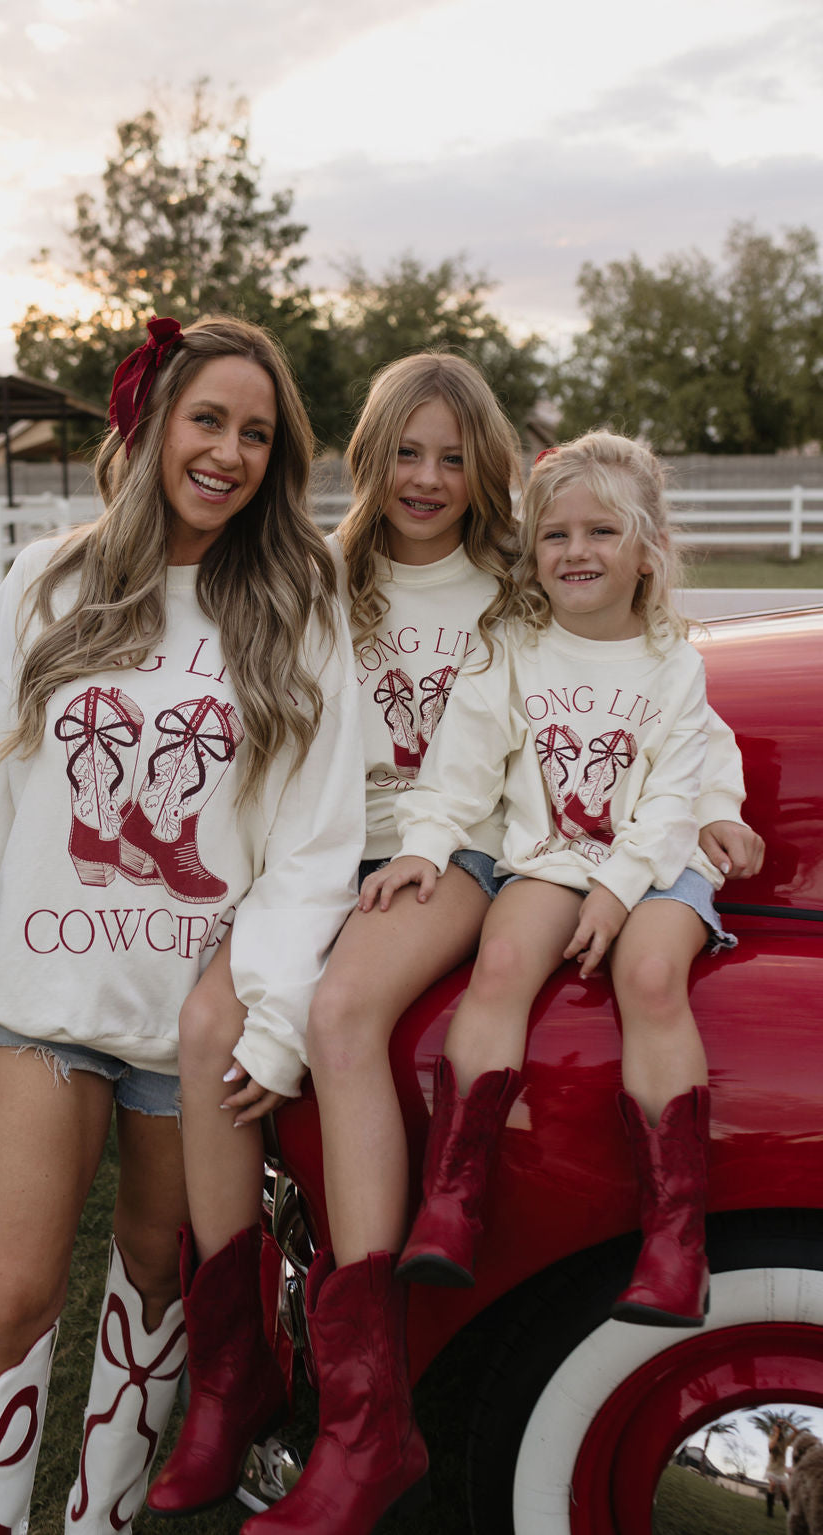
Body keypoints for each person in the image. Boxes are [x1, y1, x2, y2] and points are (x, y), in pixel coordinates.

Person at [148, 362, 763, 1534]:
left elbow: (655, 692)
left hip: (463, 852)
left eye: (451, 456)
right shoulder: (324, 580)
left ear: (485, 470)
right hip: (323, 848)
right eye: (403, 453)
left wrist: (704, 811)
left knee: (336, 1016)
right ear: (366, 458)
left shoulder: (513, 589)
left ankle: (368, 1413)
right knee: (203, 1026)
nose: (425, 479)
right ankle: (233, 1375)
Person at [0, 314, 364, 1535]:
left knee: (160, 1292)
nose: (230, 452)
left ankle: (98, 1521)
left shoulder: (297, 604)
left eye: (257, 433)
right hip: (44, 1008)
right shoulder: (49, 585)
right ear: (152, 423)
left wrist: (265, 1014)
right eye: (208, 419)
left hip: (194, 1028)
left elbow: (315, 842)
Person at [361, 430, 749, 1332]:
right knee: (500, 960)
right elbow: (457, 769)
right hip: (551, 858)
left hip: (659, 861)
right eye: (556, 535)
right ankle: (453, 1197)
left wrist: (619, 893)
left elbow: (668, 800)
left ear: (647, 553)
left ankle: (673, 1240)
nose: (578, 551)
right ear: (533, 555)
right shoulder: (513, 652)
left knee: (650, 975)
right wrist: (423, 845)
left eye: (602, 532)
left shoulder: (673, 663)